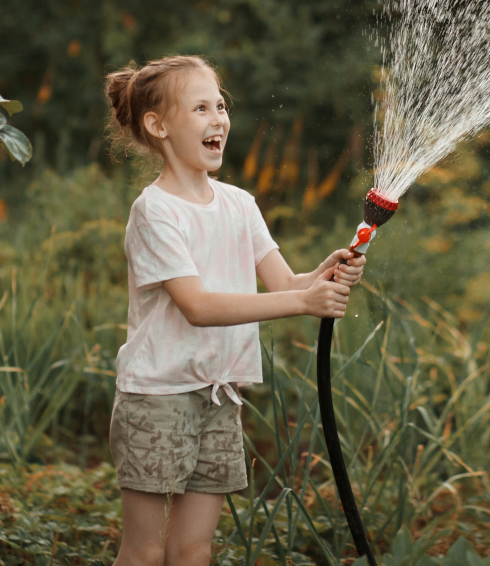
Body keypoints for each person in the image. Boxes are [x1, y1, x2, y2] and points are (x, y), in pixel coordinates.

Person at [103, 55, 365, 566]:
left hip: (221, 398)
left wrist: (326, 274)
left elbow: (287, 283)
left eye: (220, 105)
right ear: (158, 126)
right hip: (159, 398)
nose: (218, 118)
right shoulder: (155, 211)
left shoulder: (240, 204)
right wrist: (302, 302)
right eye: (200, 108)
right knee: (145, 552)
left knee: (193, 549)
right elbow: (197, 306)